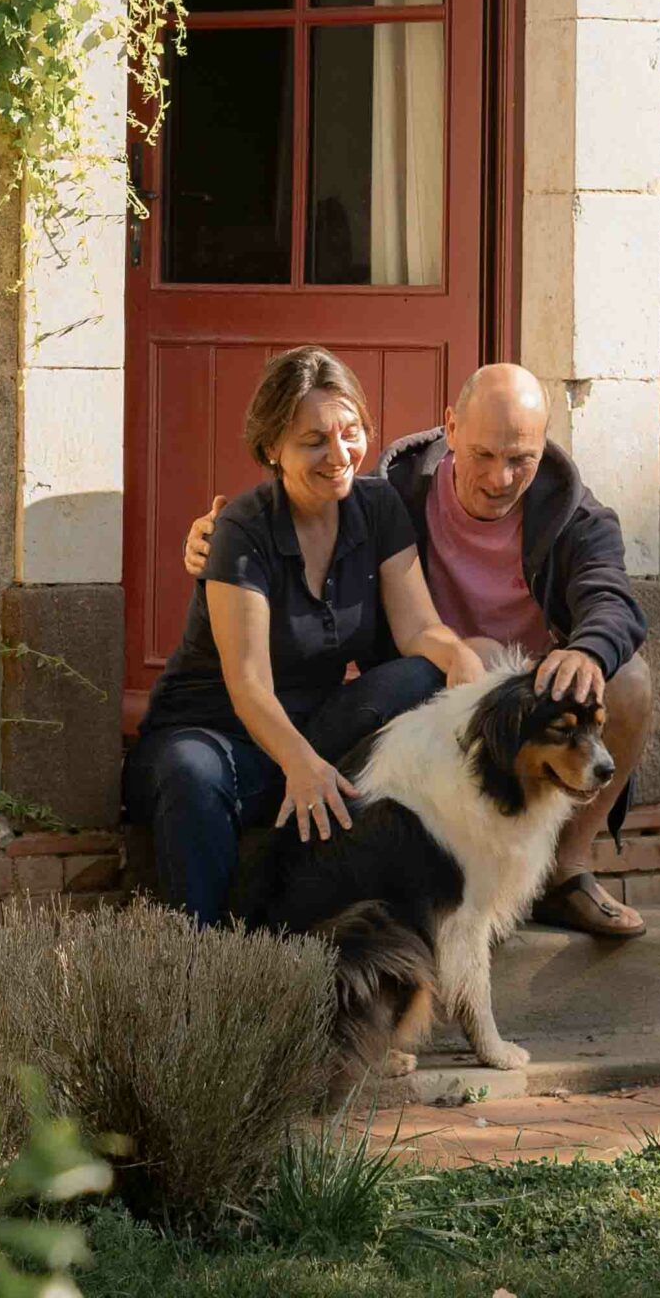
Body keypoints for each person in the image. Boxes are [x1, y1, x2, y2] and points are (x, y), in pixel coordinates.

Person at [186, 362, 656, 936]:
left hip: (540, 696)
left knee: (628, 679)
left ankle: (565, 873)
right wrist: (222, 537)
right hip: (428, 706)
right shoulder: (397, 493)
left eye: (520, 459)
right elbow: (306, 500)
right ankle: (464, 873)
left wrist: (587, 649)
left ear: (543, 444)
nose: (500, 478)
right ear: (450, 427)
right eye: (482, 455)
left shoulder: (575, 514)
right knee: (473, 653)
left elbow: (614, 598)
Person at [126, 345, 488, 926]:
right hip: (215, 741)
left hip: (308, 730)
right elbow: (247, 685)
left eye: (349, 431)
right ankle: (202, 957)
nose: (338, 454)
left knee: (423, 674)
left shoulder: (377, 506)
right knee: (189, 771)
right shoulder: (243, 528)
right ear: (273, 448)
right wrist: (302, 764)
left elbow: (419, 628)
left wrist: (462, 662)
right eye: (313, 440)